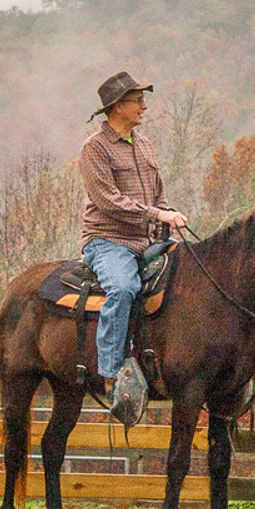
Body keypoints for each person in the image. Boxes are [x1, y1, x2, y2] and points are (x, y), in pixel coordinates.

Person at [76, 71, 188, 427]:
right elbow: (109, 201)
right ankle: (111, 373)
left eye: (142, 99)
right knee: (123, 288)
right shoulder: (94, 149)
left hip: (148, 241)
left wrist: (167, 217)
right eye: (137, 100)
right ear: (117, 106)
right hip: (107, 241)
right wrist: (156, 214)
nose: (144, 105)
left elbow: (158, 195)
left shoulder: (145, 144)